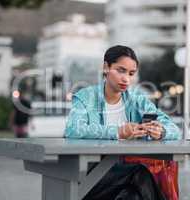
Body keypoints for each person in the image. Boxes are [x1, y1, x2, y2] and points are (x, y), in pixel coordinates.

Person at [65, 45, 181, 200]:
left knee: (132, 196)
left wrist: (161, 132)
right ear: (106, 67)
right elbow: (73, 129)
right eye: (121, 70)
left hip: (124, 177)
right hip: (91, 175)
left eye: (131, 73)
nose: (126, 78)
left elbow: (174, 129)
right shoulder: (86, 97)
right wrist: (118, 132)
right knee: (139, 172)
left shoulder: (136, 100)